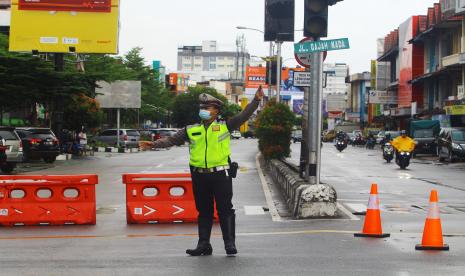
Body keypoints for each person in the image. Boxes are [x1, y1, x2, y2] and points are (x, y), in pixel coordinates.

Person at [153, 87, 265, 256]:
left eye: (207, 108)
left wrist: (256, 101)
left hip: (221, 174)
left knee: (225, 209)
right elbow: (171, 140)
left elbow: (244, 116)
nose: (203, 111)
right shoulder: (191, 129)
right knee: (204, 211)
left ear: (216, 111)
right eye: (202, 108)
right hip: (199, 175)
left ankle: (229, 244)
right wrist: (153, 144)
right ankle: (203, 245)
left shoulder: (224, 127)